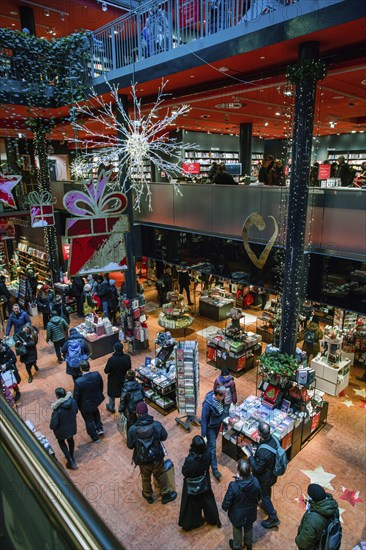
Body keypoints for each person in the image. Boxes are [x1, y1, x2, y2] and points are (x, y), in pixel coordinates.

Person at [126, 401, 177, 505]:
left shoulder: (132, 429)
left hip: (142, 459)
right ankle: (166, 495)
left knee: (145, 477)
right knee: (161, 475)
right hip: (157, 457)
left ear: (137, 414)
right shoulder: (156, 425)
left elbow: (130, 446)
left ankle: (148, 496)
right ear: (147, 412)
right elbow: (164, 436)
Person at [178, 435, 221, 531]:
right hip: (205, 480)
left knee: (192, 504)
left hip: (193, 484)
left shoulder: (190, 460)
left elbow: (185, 472)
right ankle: (212, 519)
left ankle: (194, 522)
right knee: (208, 500)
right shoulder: (208, 454)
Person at [247, 421, 280, 528]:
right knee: (266, 491)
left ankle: (273, 517)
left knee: (264, 495)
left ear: (259, 433)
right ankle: (266, 506)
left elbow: (257, 468)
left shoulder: (262, 453)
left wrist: (251, 457)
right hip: (272, 473)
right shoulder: (275, 438)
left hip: (264, 477)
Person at [222, 460, 262, 550]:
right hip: (250, 511)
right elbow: (259, 496)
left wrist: (224, 507)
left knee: (237, 529)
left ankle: (237, 546)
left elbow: (228, 500)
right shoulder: (255, 481)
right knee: (248, 527)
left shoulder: (233, 486)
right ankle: (249, 544)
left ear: (239, 472)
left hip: (237, 514)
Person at [295, 484, 340, 550]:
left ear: (312, 499)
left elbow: (304, 543)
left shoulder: (312, 519)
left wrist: (298, 539)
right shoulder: (333, 506)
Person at [73, 360, 105, 443]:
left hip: (85, 405)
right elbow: (101, 386)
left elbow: (76, 396)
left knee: (89, 421)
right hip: (95, 400)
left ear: (81, 369)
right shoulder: (96, 374)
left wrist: (76, 406)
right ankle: (100, 428)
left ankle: (95, 437)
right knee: (96, 413)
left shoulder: (78, 381)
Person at [201, 386, 226, 480]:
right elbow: (203, 419)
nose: (224, 398)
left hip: (217, 425)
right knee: (213, 447)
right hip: (210, 428)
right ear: (218, 395)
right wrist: (203, 434)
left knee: (210, 446)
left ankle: (205, 455)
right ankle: (214, 469)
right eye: (223, 396)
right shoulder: (208, 404)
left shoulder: (220, 399)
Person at [50, 387, 79, 470]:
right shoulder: (72, 401)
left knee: (61, 442)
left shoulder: (57, 409)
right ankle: (72, 456)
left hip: (61, 430)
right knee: (70, 439)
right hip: (71, 426)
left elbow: (53, 424)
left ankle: (69, 459)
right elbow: (76, 411)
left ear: (57, 396)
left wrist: (52, 427)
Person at [104, 342, 131, 413]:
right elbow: (129, 368)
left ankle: (111, 407)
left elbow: (106, 371)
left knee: (112, 395)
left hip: (113, 380)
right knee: (123, 393)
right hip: (123, 378)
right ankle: (122, 407)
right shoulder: (127, 357)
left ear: (115, 349)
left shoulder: (111, 359)